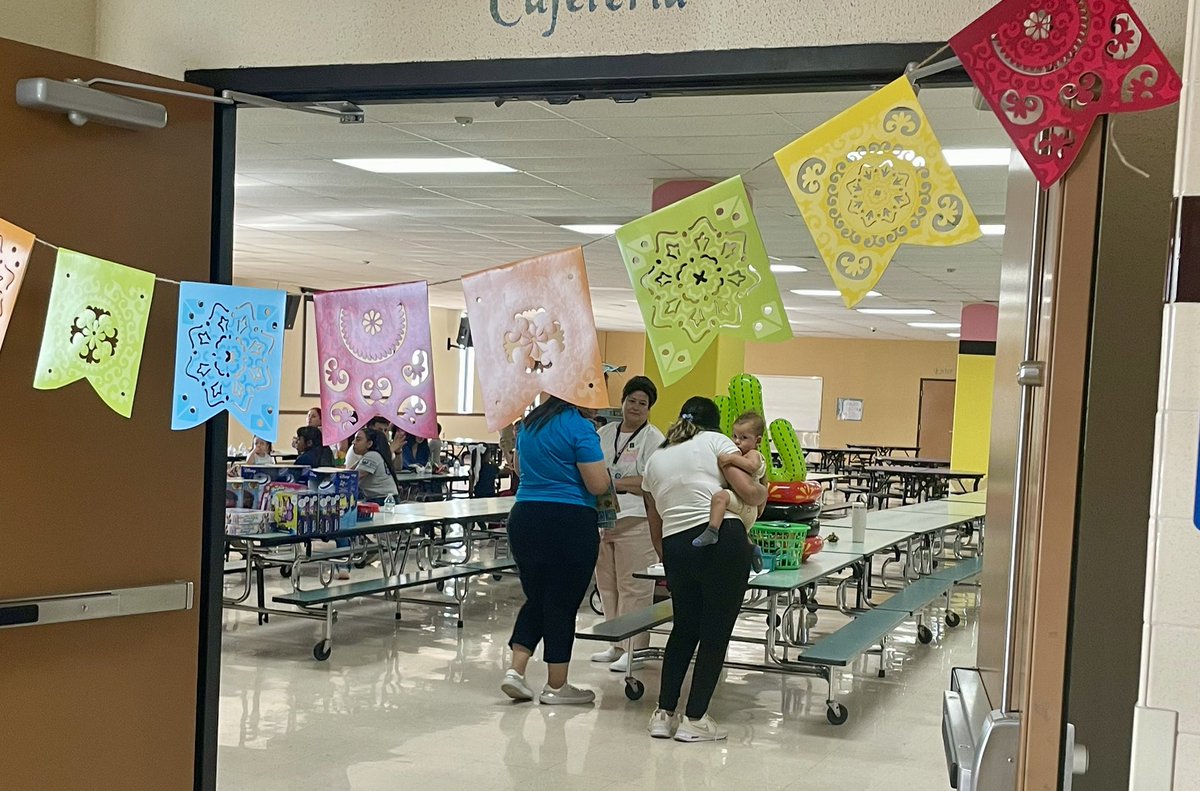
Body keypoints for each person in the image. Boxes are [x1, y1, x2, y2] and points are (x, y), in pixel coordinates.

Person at [641, 397, 768, 742]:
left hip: (675, 545)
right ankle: (695, 719)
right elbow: (748, 492)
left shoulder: (656, 457)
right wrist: (762, 492)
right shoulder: (717, 442)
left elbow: (654, 519)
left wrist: (668, 554)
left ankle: (663, 714)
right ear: (715, 424)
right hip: (721, 540)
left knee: (684, 629)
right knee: (715, 632)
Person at [500, 396, 611, 706]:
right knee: (561, 602)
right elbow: (597, 484)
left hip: (525, 517)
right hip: (569, 520)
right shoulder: (579, 427)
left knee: (538, 597)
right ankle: (557, 686)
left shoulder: (530, 424)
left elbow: (519, 469)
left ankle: (515, 671)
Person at [590, 376, 665, 673]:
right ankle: (616, 643)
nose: (635, 407)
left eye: (642, 403)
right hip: (603, 519)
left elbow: (650, 480)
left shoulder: (653, 438)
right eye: (631, 401)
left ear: (649, 408)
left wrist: (613, 483)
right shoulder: (605, 433)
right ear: (622, 402)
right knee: (607, 585)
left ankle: (636, 648)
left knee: (634, 588)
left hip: (637, 520)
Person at [693, 411, 768, 550]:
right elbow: (765, 482)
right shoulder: (743, 454)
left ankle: (712, 530)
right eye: (734, 436)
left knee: (720, 498)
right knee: (741, 533)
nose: (737, 441)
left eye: (744, 438)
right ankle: (751, 549)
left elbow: (752, 466)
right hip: (745, 506)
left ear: (757, 441)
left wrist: (731, 458)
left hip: (746, 505)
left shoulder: (754, 454)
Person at [348, 428, 400, 503]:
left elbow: (353, 477)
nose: (353, 442)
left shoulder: (372, 455)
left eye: (358, 440)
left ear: (369, 444)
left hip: (383, 499)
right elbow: (351, 471)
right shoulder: (371, 455)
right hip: (380, 498)